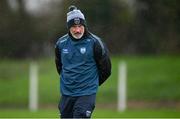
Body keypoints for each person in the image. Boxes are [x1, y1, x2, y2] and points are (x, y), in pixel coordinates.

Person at [55, 5, 111, 118]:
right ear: (68, 27)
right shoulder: (60, 44)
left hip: (86, 94)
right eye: (74, 27)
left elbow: (106, 70)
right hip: (67, 94)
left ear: (84, 25)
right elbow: (60, 67)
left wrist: (91, 83)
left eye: (80, 26)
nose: (77, 30)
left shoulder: (95, 43)